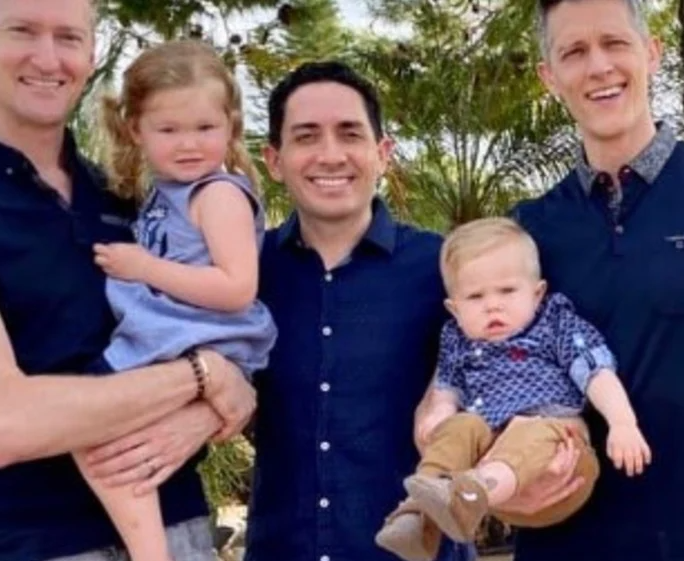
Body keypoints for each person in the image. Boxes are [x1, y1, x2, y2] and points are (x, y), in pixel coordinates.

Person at [0, 1, 255, 560]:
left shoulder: (130, 197)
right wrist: (201, 377)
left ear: (91, 52)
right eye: (23, 31)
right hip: (35, 545)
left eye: (68, 37)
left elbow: (237, 368)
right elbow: (2, 423)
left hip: (180, 532)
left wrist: (212, 405)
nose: (47, 58)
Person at [241, 61, 473, 561]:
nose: (330, 155)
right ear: (274, 160)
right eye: (306, 136)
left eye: (349, 133)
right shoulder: (243, 273)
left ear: (383, 153)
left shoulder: (444, 268)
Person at [71, 40, 276, 561]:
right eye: (169, 130)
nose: (189, 144)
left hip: (198, 334)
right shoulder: (166, 192)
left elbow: (237, 287)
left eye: (205, 128)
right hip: (172, 333)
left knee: (85, 420)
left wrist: (144, 267)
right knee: (108, 438)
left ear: (230, 126)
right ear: (135, 129)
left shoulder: (218, 194)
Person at [506, 0, 684, 559]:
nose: (599, 66)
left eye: (615, 43)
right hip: (566, 542)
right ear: (549, 76)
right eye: (574, 52)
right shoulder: (525, 231)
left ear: (651, 53)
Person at [375, 217, 650, 561]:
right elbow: (445, 390)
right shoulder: (457, 339)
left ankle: (476, 492)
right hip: (492, 450)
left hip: (559, 450)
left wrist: (622, 423)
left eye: (507, 291)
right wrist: (438, 418)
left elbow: (596, 372)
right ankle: (417, 517)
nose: (493, 305)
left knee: (532, 432)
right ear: (454, 309)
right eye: (475, 296)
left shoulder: (553, 323)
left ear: (537, 293)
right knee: (460, 426)